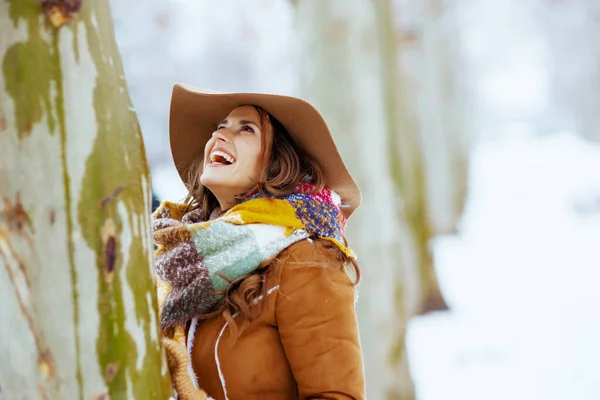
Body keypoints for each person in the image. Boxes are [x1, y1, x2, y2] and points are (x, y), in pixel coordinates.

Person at [152, 84, 365, 400]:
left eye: (245, 129)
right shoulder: (183, 261)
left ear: (277, 164)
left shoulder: (306, 260)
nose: (219, 136)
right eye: (219, 127)